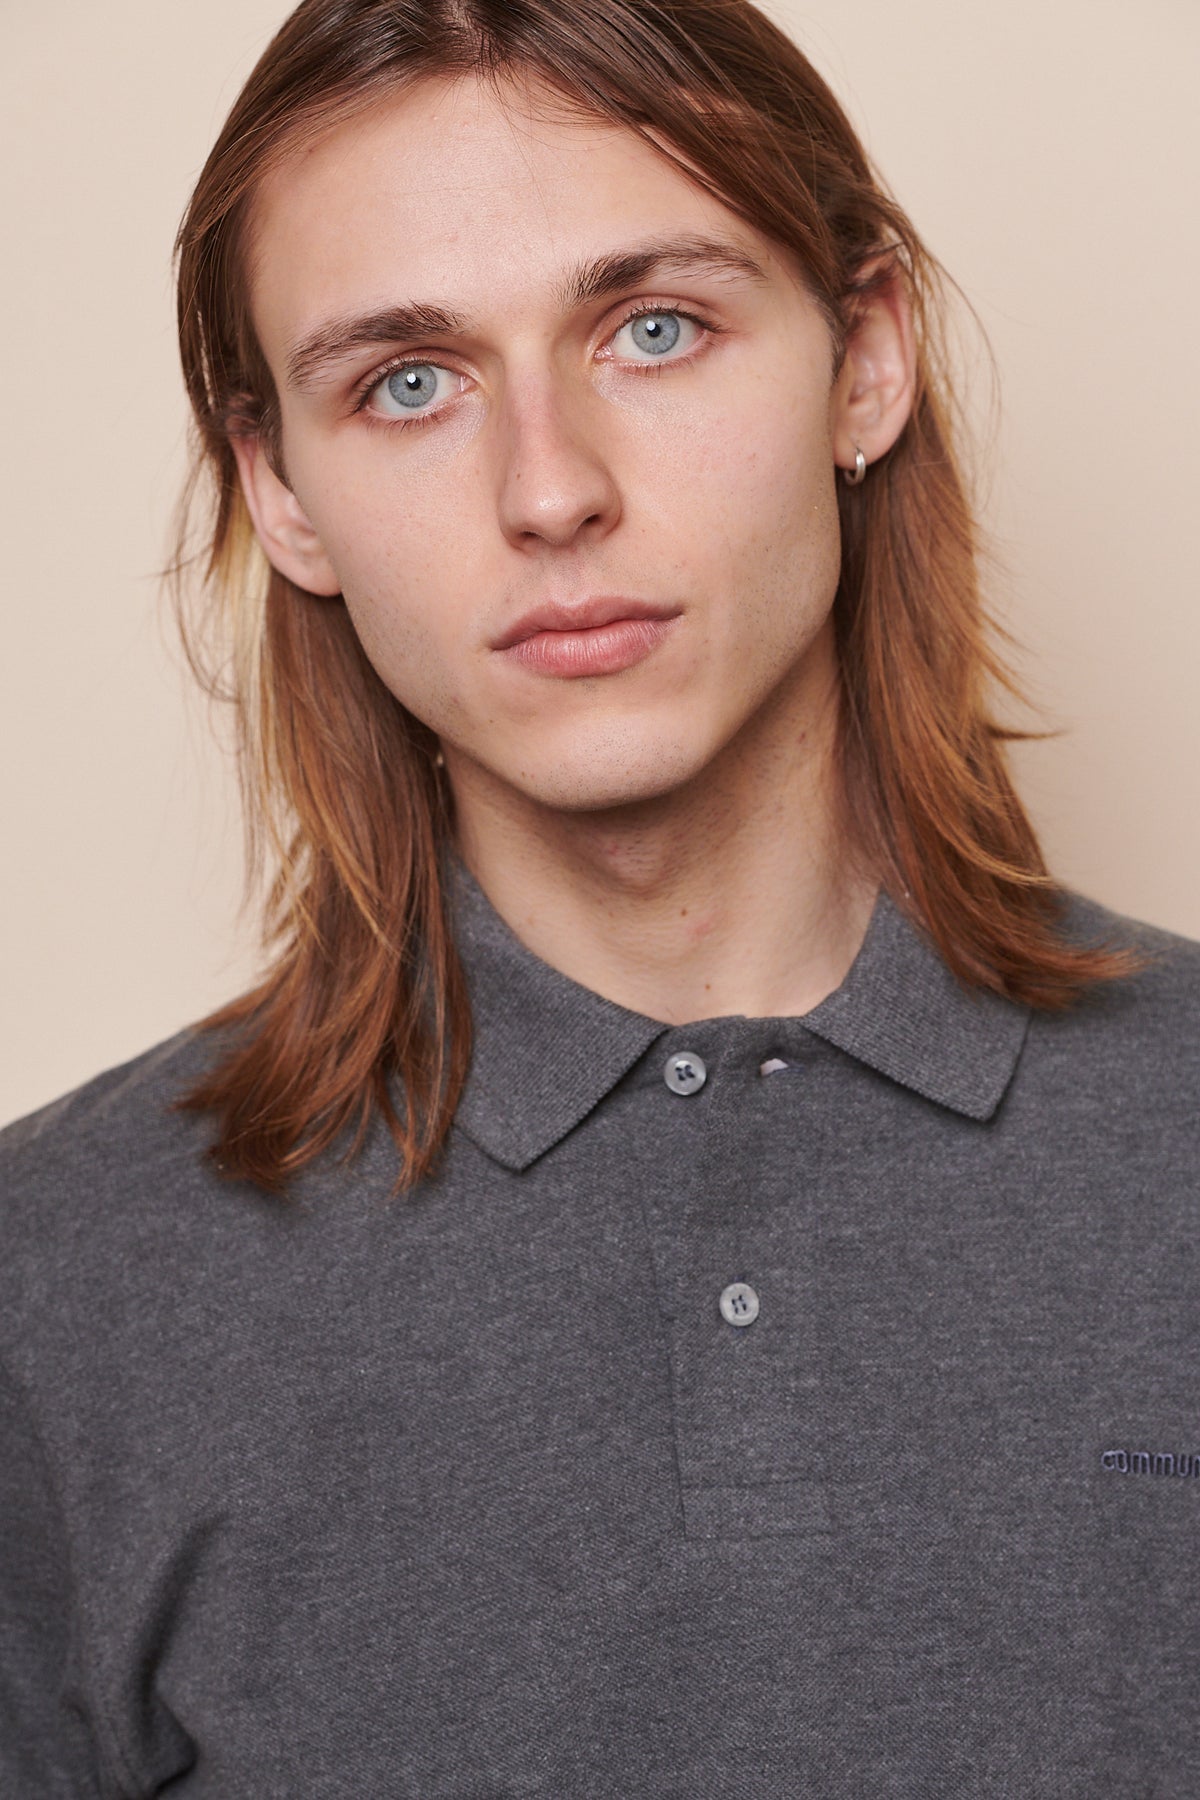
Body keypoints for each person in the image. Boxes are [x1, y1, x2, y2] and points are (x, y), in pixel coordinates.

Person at [2, 0, 1197, 1792]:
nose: (549, 489)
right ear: (281, 490)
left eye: (655, 328)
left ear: (864, 358)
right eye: (408, 381)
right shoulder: (48, 1290)